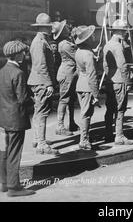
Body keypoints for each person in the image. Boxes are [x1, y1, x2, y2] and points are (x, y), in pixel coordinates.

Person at [0, 41, 35, 197]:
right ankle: (14, 187)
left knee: (4, 151)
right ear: (16, 54)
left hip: (3, 119)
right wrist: (33, 100)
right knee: (14, 152)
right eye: (22, 53)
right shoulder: (18, 73)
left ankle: (4, 183)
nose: (24, 55)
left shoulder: (2, 71)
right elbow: (22, 99)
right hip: (16, 119)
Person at [27, 13, 59, 155]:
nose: (51, 28)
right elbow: (42, 65)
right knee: (42, 112)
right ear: (43, 27)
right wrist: (49, 84)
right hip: (41, 82)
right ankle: (41, 144)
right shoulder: (40, 42)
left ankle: (37, 139)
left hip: (38, 81)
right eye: (48, 26)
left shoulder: (40, 40)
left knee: (38, 111)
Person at [103, 20, 133, 145]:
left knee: (110, 108)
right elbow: (122, 65)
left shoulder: (107, 45)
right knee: (120, 109)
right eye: (122, 31)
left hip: (110, 80)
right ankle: (119, 135)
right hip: (119, 80)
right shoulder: (118, 46)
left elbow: (105, 65)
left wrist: (108, 76)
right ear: (117, 32)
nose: (124, 33)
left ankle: (108, 134)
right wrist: (128, 82)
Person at [75, 25, 100, 150]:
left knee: (84, 112)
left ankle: (85, 138)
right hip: (87, 87)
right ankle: (84, 140)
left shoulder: (79, 52)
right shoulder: (88, 55)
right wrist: (96, 94)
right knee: (86, 114)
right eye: (91, 36)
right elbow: (92, 75)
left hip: (80, 84)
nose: (94, 37)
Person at [52, 20, 78, 136]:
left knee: (70, 100)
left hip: (69, 73)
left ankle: (71, 122)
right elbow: (76, 55)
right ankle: (60, 126)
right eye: (66, 27)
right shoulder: (65, 44)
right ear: (63, 31)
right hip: (67, 73)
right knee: (64, 100)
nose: (68, 27)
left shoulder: (67, 42)